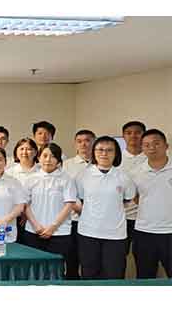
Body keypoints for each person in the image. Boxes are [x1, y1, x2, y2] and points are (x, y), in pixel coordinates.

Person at [74, 136, 136, 279]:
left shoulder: (123, 177)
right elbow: (81, 199)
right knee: (89, 274)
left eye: (109, 150)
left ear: (116, 153)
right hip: (88, 233)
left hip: (116, 235)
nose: (104, 153)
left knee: (114, 275)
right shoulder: (83, 175)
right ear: (94, 152)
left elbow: (128, 199)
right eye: (100, 149)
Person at [22, 143, 78, 277]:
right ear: (38, 158)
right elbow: (25, 204)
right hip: (33, 231)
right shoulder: (31, 178)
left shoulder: (66, 179)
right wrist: (36, 225)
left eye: (53, 156)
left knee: (55, 271)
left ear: (58, 160)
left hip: (60, 233)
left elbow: (69, 204)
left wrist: (53, 227)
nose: (48, 160)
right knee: (34, 270)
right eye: (45, 155)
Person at [131, 129, 172, 278]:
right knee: (145, 277)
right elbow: (135, 197)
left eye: (156, 143)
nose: (151, 148)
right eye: (146, 145)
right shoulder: (136, 172)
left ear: (166, 146)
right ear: (142, 148)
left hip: (170, 231)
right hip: (144, 232)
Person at [63, 129, 95, 279]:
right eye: (80, 141)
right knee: (72, 259)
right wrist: (80, 208)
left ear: (94, 143)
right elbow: (64, 191)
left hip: (96, 222)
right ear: (75, 144)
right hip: (73, 219)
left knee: (91, 260)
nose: (84, 144)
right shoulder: (67, 165)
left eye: (88, 140)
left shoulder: (101, 164)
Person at [120, 120, 148, 254]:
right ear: (123, 136)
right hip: (121, 217)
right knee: (118, 256)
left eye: (137, 132)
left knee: (144, 257)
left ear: (144, 135)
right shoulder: (116, 159)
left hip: (146, 218)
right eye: (129, 133)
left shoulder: (151, 157)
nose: (133, 136)